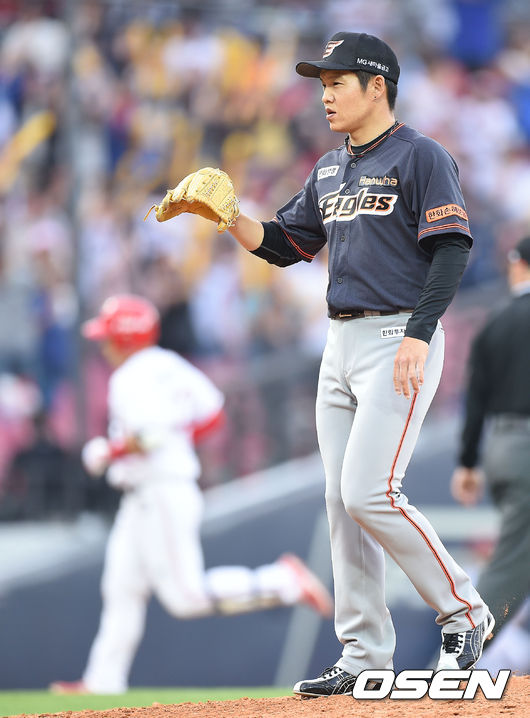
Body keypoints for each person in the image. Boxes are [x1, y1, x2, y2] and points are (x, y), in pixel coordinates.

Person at [161, 32, 495, 697]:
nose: (326, 95)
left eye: (338, 82)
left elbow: (452, 247)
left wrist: (420, 334)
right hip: (338, 343)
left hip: (398, 334)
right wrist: (229, 218)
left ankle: (465, 612)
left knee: (371, 492)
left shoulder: (421, 155)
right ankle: (365, 654)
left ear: (378, 86)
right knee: (342, 502)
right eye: (322, 84)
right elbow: (286, 245)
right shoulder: (329, 168)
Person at [50, 294, 333, 695]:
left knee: (186, 597)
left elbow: (149, 435)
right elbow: (212, 413)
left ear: (126, 337)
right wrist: (176, 440)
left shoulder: (130, 377)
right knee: (121, 587)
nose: (104, 344)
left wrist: (108, 452)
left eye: (109, 335)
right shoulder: (169, 364)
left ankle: (282, 582)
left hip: (159, 492)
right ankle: (103, 681)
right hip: (149, 492)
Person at [450, 235, 530, 654]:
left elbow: (475, 398)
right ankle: (457, 661)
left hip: (503, 448)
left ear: (518, 266)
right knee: (510, 567)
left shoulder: (495, 321)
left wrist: (467, 463)